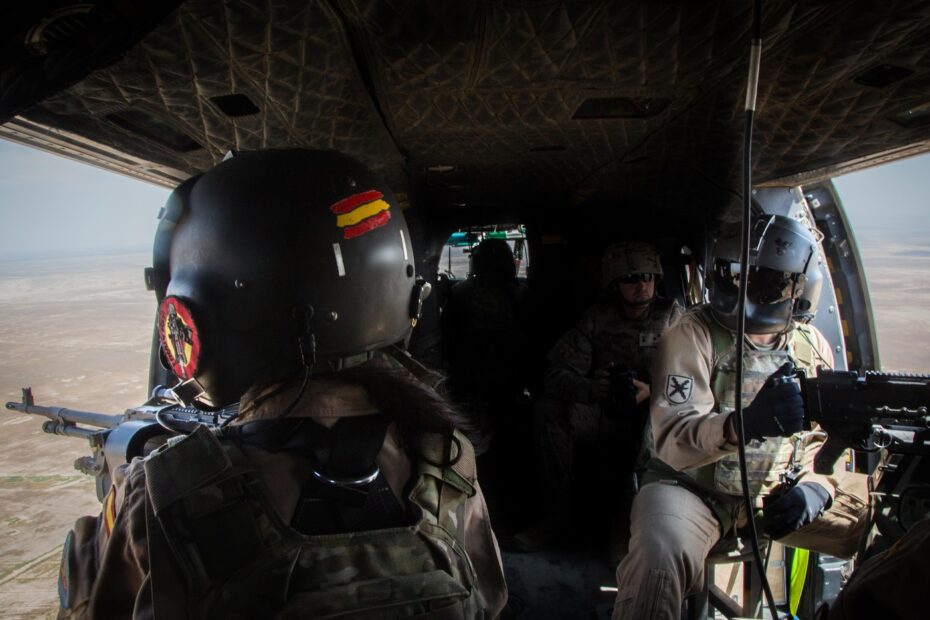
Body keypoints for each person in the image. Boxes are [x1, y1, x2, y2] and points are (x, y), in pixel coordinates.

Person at [56, 149, 508, 619]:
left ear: (194, 318)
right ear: (406, 299)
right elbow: (489, 601)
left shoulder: (159, 497)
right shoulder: (449, 459)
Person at [612, 214, 869, 619]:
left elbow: (827, 439)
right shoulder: (693, 333)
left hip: (778, 493)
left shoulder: (811, 346)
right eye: (735, 276)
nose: (747, 290)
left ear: (799, 288)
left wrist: (818, 487)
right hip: (691, 489)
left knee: (889, 528)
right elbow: (674, 439)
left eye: (766, 282)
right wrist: (742, 423)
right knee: (658, 555)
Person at [513, 241, 682, 552]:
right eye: (631, 278)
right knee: (548, 411)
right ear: (615, 283)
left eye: (648, 277)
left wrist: (653, 392)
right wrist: (589, 387)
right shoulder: (597, 318)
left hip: (654, 417)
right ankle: (556, 516)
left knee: (661, 424)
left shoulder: (672, 316)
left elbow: (692, 381)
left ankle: (629, 524)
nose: (642, 285)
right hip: (605, 413)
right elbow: (556, 374)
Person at [441, 237, 530, 452]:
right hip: (513, 378)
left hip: (472, 378)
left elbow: (446, 334)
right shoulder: (522, 294)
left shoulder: (460, 293)